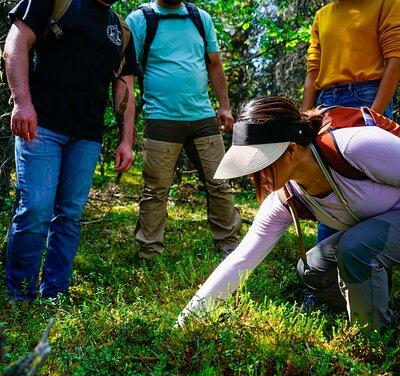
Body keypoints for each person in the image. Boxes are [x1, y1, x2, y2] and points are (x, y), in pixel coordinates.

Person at [177, 96, 400, 332]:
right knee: (313, 268)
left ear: (291, 150)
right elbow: (240, 260)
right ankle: (379, 313)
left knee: (355, 248)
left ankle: (374, 339)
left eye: (261, 164)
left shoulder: (355, 146)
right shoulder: (287, 196)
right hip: (380, 233)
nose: (255, 176)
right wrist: (186, 321)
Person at [3, 0, 139, 301]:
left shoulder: (122, 29)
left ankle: (55, 293)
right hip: (40, 126)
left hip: (87, 136)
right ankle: (20, 295)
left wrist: (126, 139)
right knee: (36, 210)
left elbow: (124, 86)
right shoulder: (57, 2)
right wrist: (21, 103)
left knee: (70, 215)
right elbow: (16, 42)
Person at [126, 0, 241, 261]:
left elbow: (214, 64)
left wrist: (224, 107)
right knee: (155, 189)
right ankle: (149, 252)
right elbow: (127, 73)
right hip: (161, 117)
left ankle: (229, 247)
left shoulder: (201, 18)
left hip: (202, 116)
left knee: (220, 182)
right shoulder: (140, 19)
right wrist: (127, 123)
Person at [301, 0, 400, 242]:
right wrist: (304, 115)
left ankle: (368, 259)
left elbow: (395, 58)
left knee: (366, 177)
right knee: (328, 175)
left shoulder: (386, 3)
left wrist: (374, 115)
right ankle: (326, 261)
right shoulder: (323, 15)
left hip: (366, 94)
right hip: (325, 102)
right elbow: (313, 70)